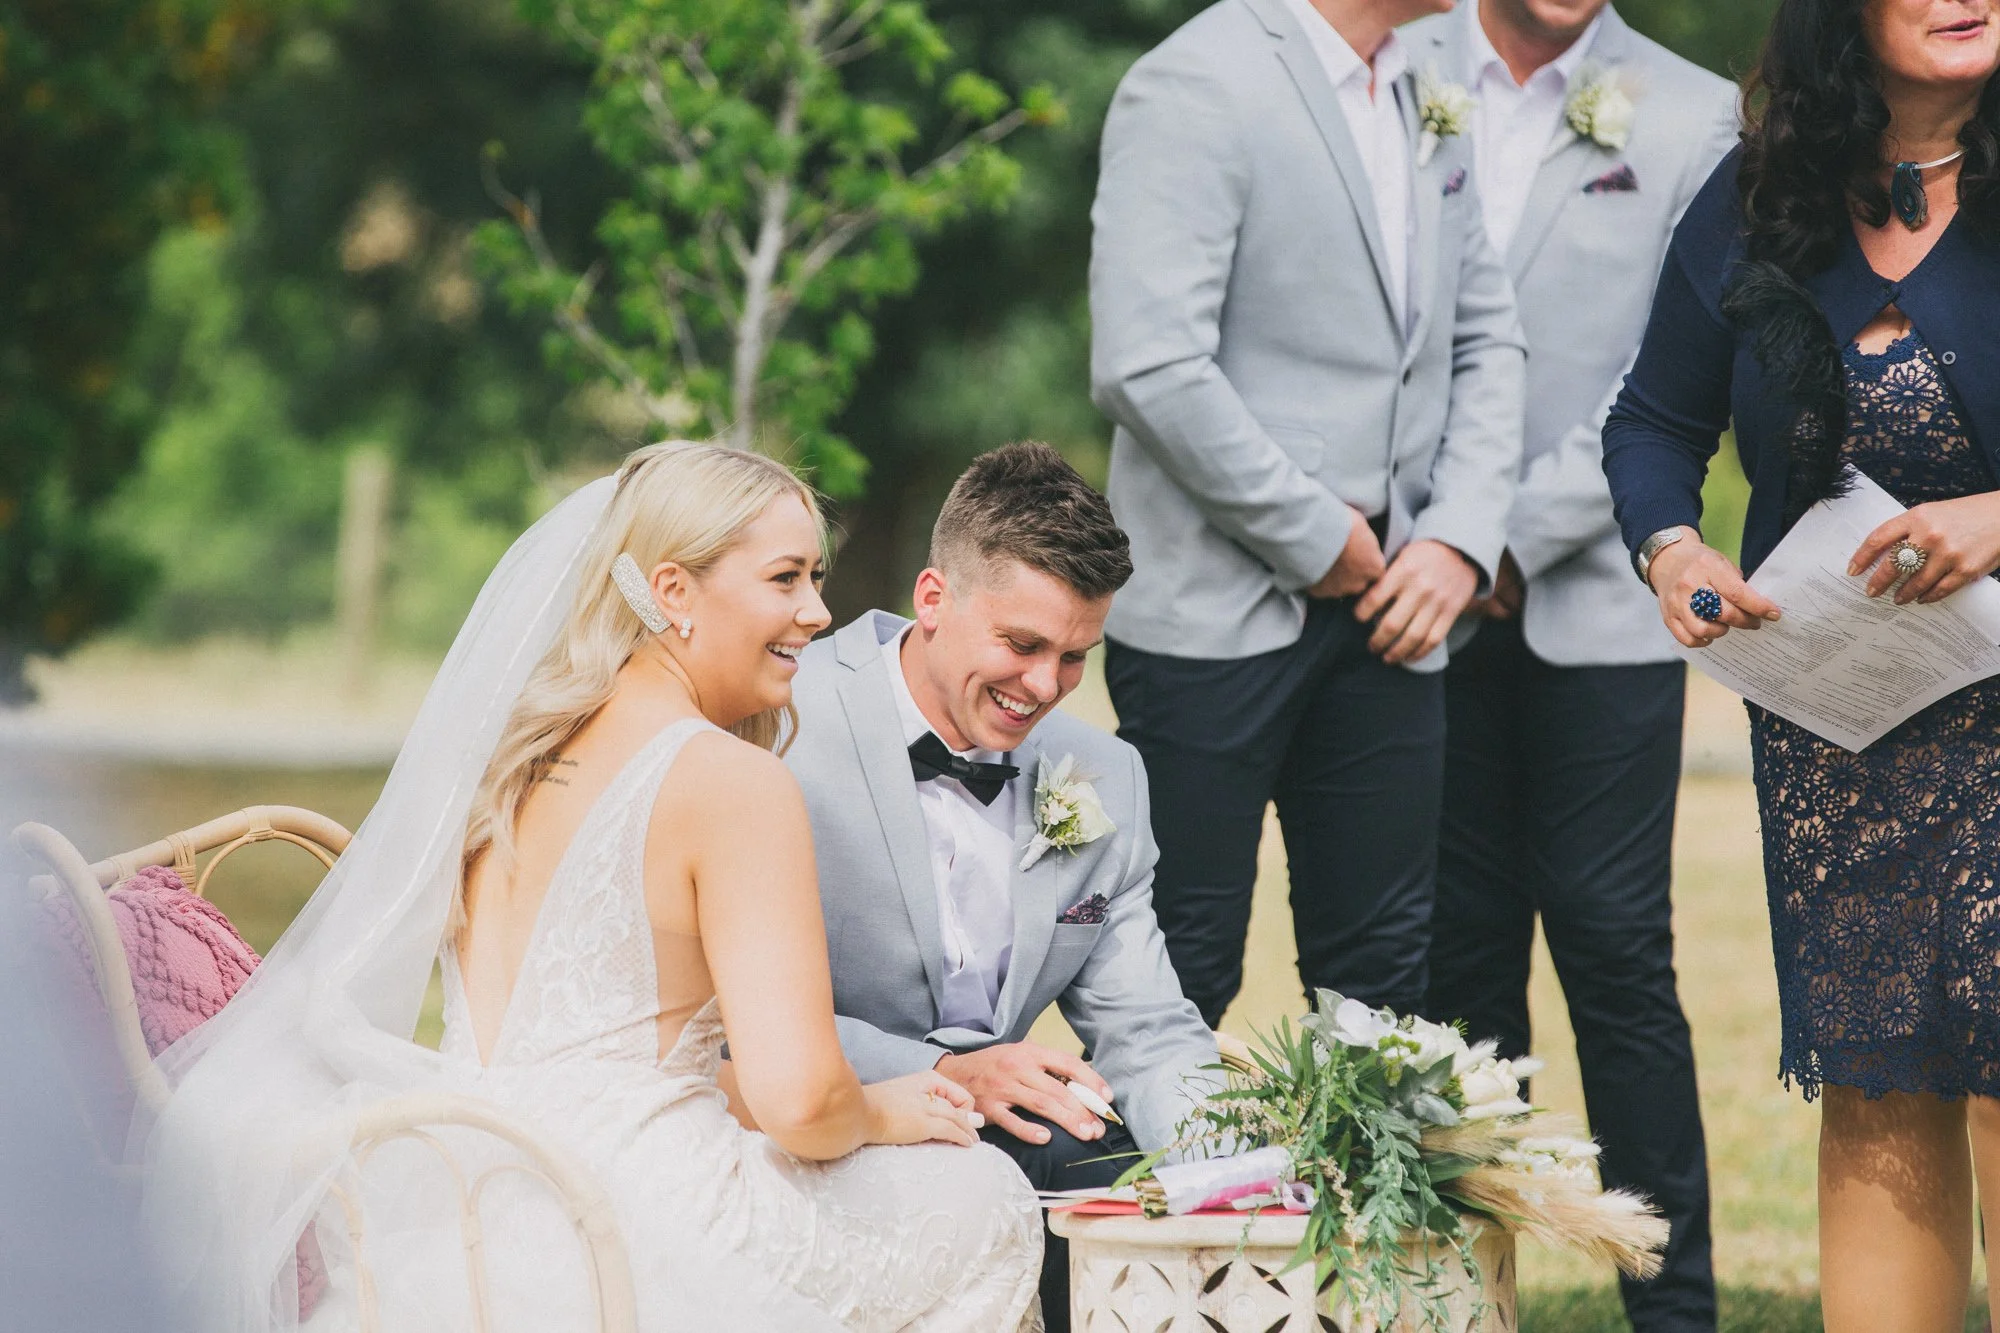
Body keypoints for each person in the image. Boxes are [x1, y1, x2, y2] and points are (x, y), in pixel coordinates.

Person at [141, 442, 1042, 1332]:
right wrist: (882, 1108)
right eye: (786, 578)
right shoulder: (733, 782)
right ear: (673, 591)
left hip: (470, 1196)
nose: (816, 611)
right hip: (643, 1227)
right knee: (990, 1196)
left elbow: (608, 1058)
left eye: (815, 577)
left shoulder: (508, 759)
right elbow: (802, 1102)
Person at [1601, 0, 2000, 1323]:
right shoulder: (1760, 190)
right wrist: (1672, 552)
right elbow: (1653, 423)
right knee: (1882, 1087)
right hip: (1847, 728)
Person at [1089, 0, 1526, 1028]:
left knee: (1382, 981)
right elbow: (1145, 362)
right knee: (1175, 973)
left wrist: (1457, 540)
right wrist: (1313, 533)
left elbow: (1485, 340)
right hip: (1211, 613)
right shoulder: (1193, 81)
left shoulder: (1427, 83)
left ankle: (1358, 1192)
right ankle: (1147, 1193)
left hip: (1397, 615)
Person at [1399, 0, 1735, 1325]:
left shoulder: (1697, 110)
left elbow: (1670, 373)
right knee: (1455, 968)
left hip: (1594, 597)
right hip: (1407, 598)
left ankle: (1677, 1301)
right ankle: (1460, 1298)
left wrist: (1495, 536)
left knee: (1614, 952)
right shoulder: (1396, 68)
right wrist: (1420, 549)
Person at [786, 442, 1218, 1332]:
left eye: (1074, 657)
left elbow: (1146, 1026)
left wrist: (1228, 1164)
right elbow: (717, 1010)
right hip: (823, 1123)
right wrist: (944, 1071)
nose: (1044, 686)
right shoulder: (781, 718)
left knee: (1127, 1178)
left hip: (1024, 1144)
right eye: (1022, 644)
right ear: (933, 598)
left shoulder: (1104, 774)